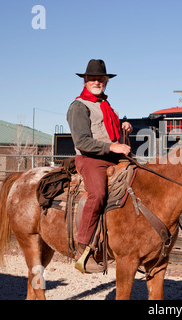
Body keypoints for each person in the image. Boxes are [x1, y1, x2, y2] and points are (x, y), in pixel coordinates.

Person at [67, 59, 132, 273]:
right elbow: (82, 142)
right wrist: (113, 147)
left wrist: (122, 125)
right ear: (85, 80)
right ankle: (82, 249)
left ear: (105, 81)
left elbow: (106, 128)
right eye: (93, 78)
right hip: (90, 159)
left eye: (101, 79)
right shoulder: (79, 106)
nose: (97, 81)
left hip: (110, 157)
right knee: (98, 195)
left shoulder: (104, 104)